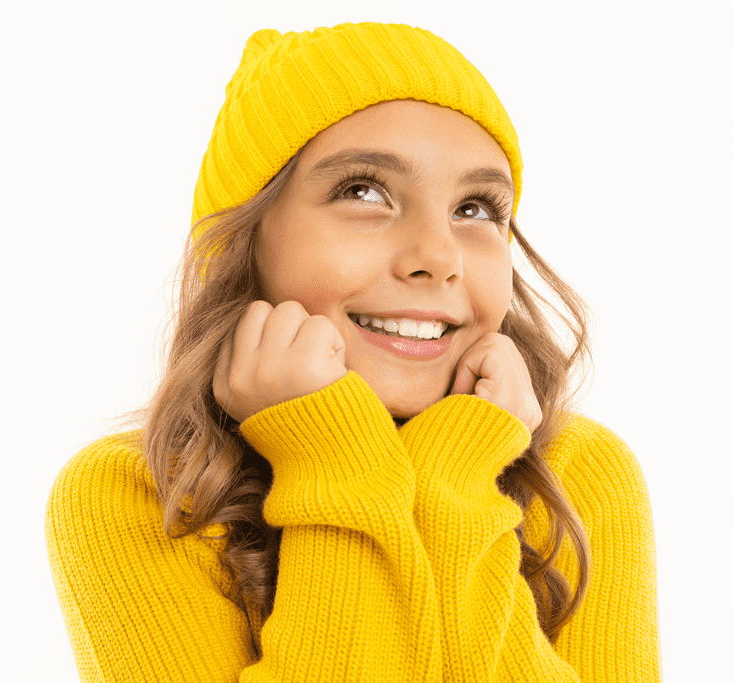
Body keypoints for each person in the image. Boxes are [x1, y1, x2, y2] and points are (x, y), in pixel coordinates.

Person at [45, 22, 660, 682]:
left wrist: (458, 466)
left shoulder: (580, 475)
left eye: (476, 207)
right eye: (363, 191)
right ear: (240, 247)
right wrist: (329, 459)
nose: (439, 257)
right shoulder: (136, 497)